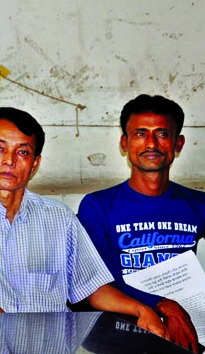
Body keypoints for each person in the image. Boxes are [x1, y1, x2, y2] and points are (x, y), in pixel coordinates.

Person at [0, 107, 167, 338]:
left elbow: (91, 288)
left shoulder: (58, 218)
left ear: (35, 164)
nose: (10, 160)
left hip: (48, 342)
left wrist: (141, 310)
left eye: (22, 152)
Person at [78, 95, 205, 351]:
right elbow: (95, 283)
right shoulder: (98, 205)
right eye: (140, 134)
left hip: (185, 328)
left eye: (162, 134)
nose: (151, 144)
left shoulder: (199, 204)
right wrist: (164, 305)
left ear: (177, 144)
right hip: (123, 328)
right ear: (125, 143)